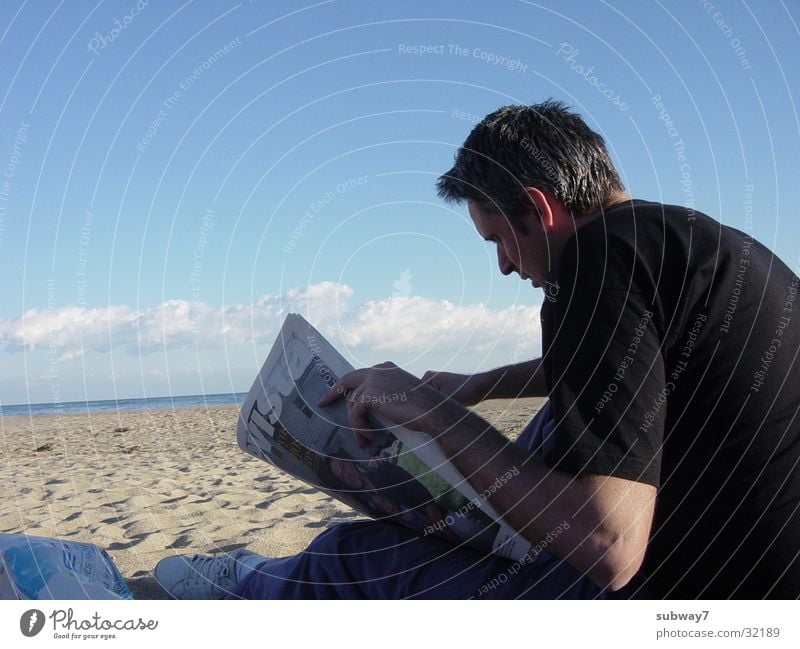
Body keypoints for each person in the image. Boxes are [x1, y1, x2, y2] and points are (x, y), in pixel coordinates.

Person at [154, 100, 800, 599]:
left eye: (498, 238)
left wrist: (434, 413)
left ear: (539, 209)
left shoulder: (599, 257)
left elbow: (611, 545)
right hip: (759, 576)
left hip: (683, 596)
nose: (504, 266)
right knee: (550, 426)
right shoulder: (702, 248)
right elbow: (624, 370)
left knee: (357, 554)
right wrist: (484, 383)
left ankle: (236, 591)